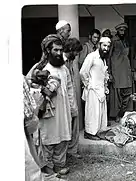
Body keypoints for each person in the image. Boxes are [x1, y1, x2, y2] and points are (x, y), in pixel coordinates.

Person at [28, 35, 78, 175]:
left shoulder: (64, 69)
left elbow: (69, 90)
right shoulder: (39, 68)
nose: (58, 53)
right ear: (48, 50)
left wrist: (73, 109)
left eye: (60, 50)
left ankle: (59, 166)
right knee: (48, 140)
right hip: (47, 112)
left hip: (63, 111)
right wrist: (42, 89)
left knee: (63, 138)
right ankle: (48, 169)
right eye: (55, 50)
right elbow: (27, 86)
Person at [80, 37, 111, 140]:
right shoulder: (91, 56)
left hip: (101, 90)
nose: (106, 48)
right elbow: (83, 72)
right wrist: (88, 85)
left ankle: (99, 132)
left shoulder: (103, 59)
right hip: (92, 90)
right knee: (92, 112)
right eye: (104, 46)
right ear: (99, 45)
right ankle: (89, 133)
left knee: (100, 113)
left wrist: (105, 86)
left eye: (108, 46)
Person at [108, 23, 136, 122]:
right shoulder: (113, 41)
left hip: (126, 71)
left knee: (128, 94)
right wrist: (109, 72)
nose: (122, 32)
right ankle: (116, 115)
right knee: (117, 96)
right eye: (120, 30)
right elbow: (108, 57)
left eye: (124, 30)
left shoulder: (126, 41)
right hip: (117, 72)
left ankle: (124, 114)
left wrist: (132, 70)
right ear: (117, 31)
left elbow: (130, 57)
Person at [63, 38, 83, 158]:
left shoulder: (69, 61)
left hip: (71, 96)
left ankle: (72, 151)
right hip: (63, 98)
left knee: (74, 122)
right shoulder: (59, 61)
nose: (76, 55)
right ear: (70, 49)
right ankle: (65, 153)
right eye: (76, 52)